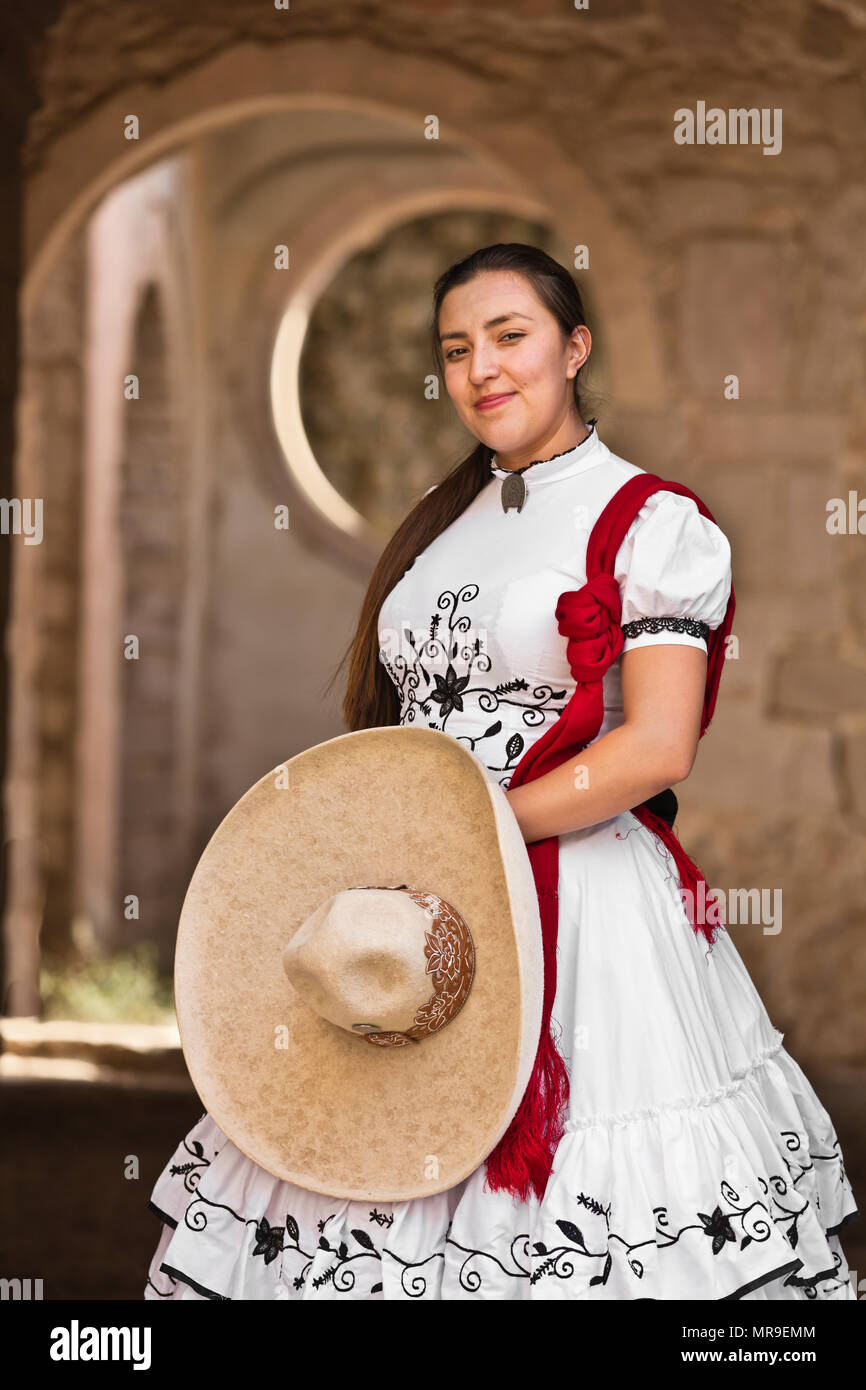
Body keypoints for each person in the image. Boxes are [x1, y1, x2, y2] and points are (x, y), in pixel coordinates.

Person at [144, 242, 858, 1300]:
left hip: (580, 907)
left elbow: (656, 747)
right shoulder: (442, 520)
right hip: (416, 900)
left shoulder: (651, 524)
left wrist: (466, 833)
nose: (481, 368)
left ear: (573, 349)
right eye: (456, 348)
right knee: (357, 1149)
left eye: (509, 337)